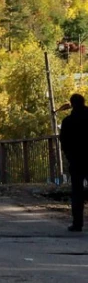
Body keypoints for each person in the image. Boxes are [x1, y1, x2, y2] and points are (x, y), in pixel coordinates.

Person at [60, 93, 88, 232]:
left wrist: (69, 156)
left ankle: (77, 223)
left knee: (77, 192)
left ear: (72, 104)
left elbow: (63, 142)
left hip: (76, 160)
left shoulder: (68, 122)